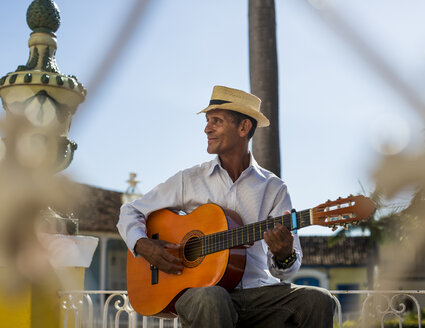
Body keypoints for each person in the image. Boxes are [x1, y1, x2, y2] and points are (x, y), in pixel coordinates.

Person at [117, 85, 335, 327]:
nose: (206, 128)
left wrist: (284, 255)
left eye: (216, 121)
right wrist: (144, 245)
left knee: (319, 300)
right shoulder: (189, 179)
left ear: (243, 127)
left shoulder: (274, 188)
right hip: (201, 292)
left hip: (258, 294)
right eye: (208, 121)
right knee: (212, 297)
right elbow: (130, 210)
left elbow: (284, 272)